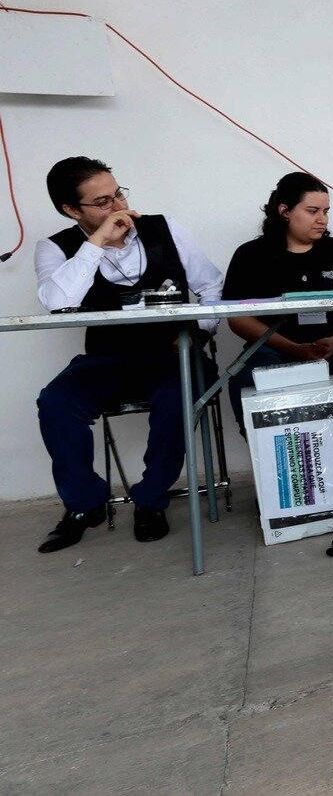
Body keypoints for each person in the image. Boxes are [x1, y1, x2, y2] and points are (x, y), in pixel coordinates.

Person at [33, 156, 223, 553]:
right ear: (71, 210)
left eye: (118, 193)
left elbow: (213, 288)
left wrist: (197, 332)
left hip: (173, 355)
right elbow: (56, 302)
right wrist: (96, 242)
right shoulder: (55, 249)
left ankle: (150, 500)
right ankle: (85, 505)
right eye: (102, 202)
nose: (118, 206)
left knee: (178, 397)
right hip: (107, 359)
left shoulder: (165, 228)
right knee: (56, 402)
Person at [222, 172, 333, 557]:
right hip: (275, 346)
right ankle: (282, 470)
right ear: (284, 211)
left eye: (326, 212)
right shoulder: (251, 255)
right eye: (312, 211)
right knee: (251, 372)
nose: (322, 220)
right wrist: (291, 347)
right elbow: (238, 319)